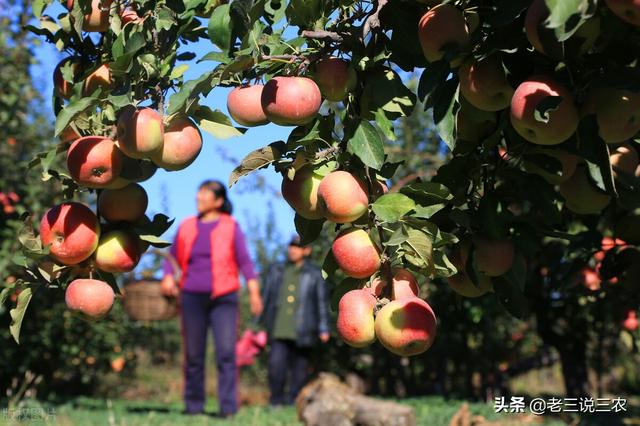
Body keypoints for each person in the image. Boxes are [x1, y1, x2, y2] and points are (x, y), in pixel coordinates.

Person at [160, 180, 263, 417]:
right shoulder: (186, 226)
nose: (199, 196)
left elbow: (245, 262)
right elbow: (171, 258)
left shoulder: (230, 226)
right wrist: (167, 277)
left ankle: (227, 408)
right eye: (199, 192)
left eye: (205, 193)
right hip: (191, 296)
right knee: (194, 354)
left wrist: (255, 292)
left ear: (218, 200)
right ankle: (193, 406)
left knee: (226, 353)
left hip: (224, 297)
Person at [260, 235, 331, 406]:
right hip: (279, 327)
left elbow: (321, 302)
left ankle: (293, 401)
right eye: (291, 246)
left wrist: (323, 327)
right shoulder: (277, 270)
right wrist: (259, 324)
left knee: (300, 369)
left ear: (307, 250)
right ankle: (276, 401)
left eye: (297, 246)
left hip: (304, 328)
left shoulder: (314, 274)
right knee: (276, 366)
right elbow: (266, 297)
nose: (293, 249)